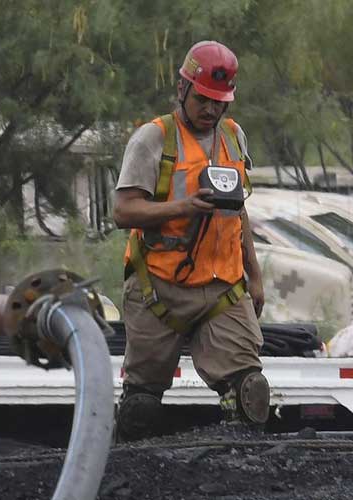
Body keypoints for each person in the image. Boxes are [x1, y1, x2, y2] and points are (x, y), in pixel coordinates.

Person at [113, 41, 268, 441]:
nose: (211, 109)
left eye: (220, 102)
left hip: (222, 287)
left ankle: (245, 476)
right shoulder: (153, 138)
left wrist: (256, 275)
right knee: (140, 408)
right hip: (159, 288)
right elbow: (123, 212)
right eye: (203, 99)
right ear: (183, 90)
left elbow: (240, 212)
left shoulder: (233, 137)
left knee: (251, 393)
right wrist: (183, 208)